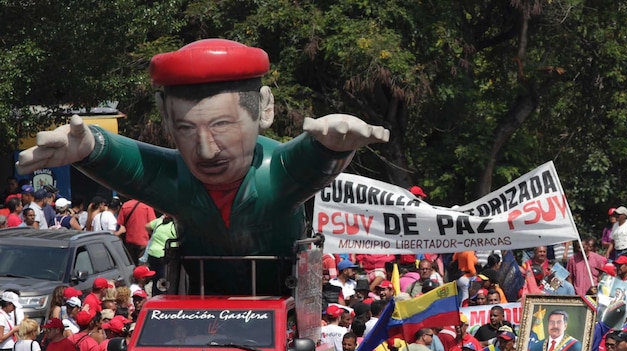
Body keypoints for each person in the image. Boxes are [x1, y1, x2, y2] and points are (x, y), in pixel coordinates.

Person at [16, 39, 388, 295]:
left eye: (223, 125)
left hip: (281, 308)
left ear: (264, 109)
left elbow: (307, 161)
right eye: (186, 129)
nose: (207, 151)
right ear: (166, 121)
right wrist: (90, 147)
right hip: (195, 309)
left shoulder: (275, 173)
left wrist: (331, 146)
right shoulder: (177, 181)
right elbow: (123, 158)